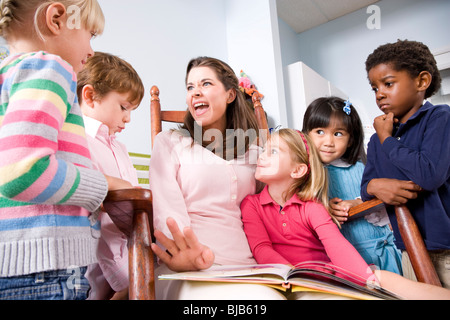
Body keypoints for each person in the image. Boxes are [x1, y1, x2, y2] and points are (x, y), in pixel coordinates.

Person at [0, 0, 132, 300]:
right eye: (91, 34)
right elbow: (20, 172)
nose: (91, 50)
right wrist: (102, 185)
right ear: (57, 19)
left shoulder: (7, 74)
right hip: (46, 267)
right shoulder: (51, 67)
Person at [241, 128, 450, 300]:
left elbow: (335, 244)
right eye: (264, 150)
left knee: (382, 278)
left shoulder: (310, 207)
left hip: (325, 274)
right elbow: (262, 248)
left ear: (297, 171)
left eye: (274, 152)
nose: (261, 156)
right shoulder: (251, 204)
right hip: (294, 280)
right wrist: (293, 274)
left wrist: (368, 279)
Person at [149, 56, 286, 300]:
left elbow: (273, 207)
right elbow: (166, 209)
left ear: (230, 95)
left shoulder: (254, 150)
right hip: (191, 267)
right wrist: (185, 254)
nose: (195, 93)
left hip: (250, 266)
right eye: (190, 87)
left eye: (206, 84)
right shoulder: (170, 142)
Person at [362, 39, 450, 288]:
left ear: (422, 82)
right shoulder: (375, 141)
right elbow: (365, 186)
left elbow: (429, 174)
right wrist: (375, 186)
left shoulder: (440, 118)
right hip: (407, 249)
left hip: (446, 249)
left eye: (388, 83)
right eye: (374, 87)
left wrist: (387, 139)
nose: (379, 93)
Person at [302, 97, 402, 275]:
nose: (328, 142)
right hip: (344, 260)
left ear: (350, 139)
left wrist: (359, 203)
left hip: (383, 251)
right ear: (306, 134)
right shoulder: (305, 175)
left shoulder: (363, 167)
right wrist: (323, 209)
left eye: (338, 133)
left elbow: (389, 206)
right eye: (319, 131)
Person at [77, 52, 145, 300]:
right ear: (90, 95)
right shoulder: (78, 141)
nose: (128, 118)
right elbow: (98, 221)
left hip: (128, 257)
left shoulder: (120, 148)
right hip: (99, 271)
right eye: (124, 107)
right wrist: (126, 280)